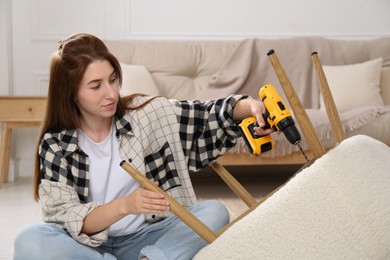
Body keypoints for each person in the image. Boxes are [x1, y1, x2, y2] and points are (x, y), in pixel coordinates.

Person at [13, 33, 273, 260]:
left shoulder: (149, 114)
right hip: (87, 247)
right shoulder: (56, 144)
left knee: (214, 212)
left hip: (149, 237)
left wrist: (248, 107)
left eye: (113, 80)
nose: (111, 93)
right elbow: (70, 220)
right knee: (30, 239)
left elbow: (205, 115)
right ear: (71, 93)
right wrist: (126, 205)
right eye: (96, 86)